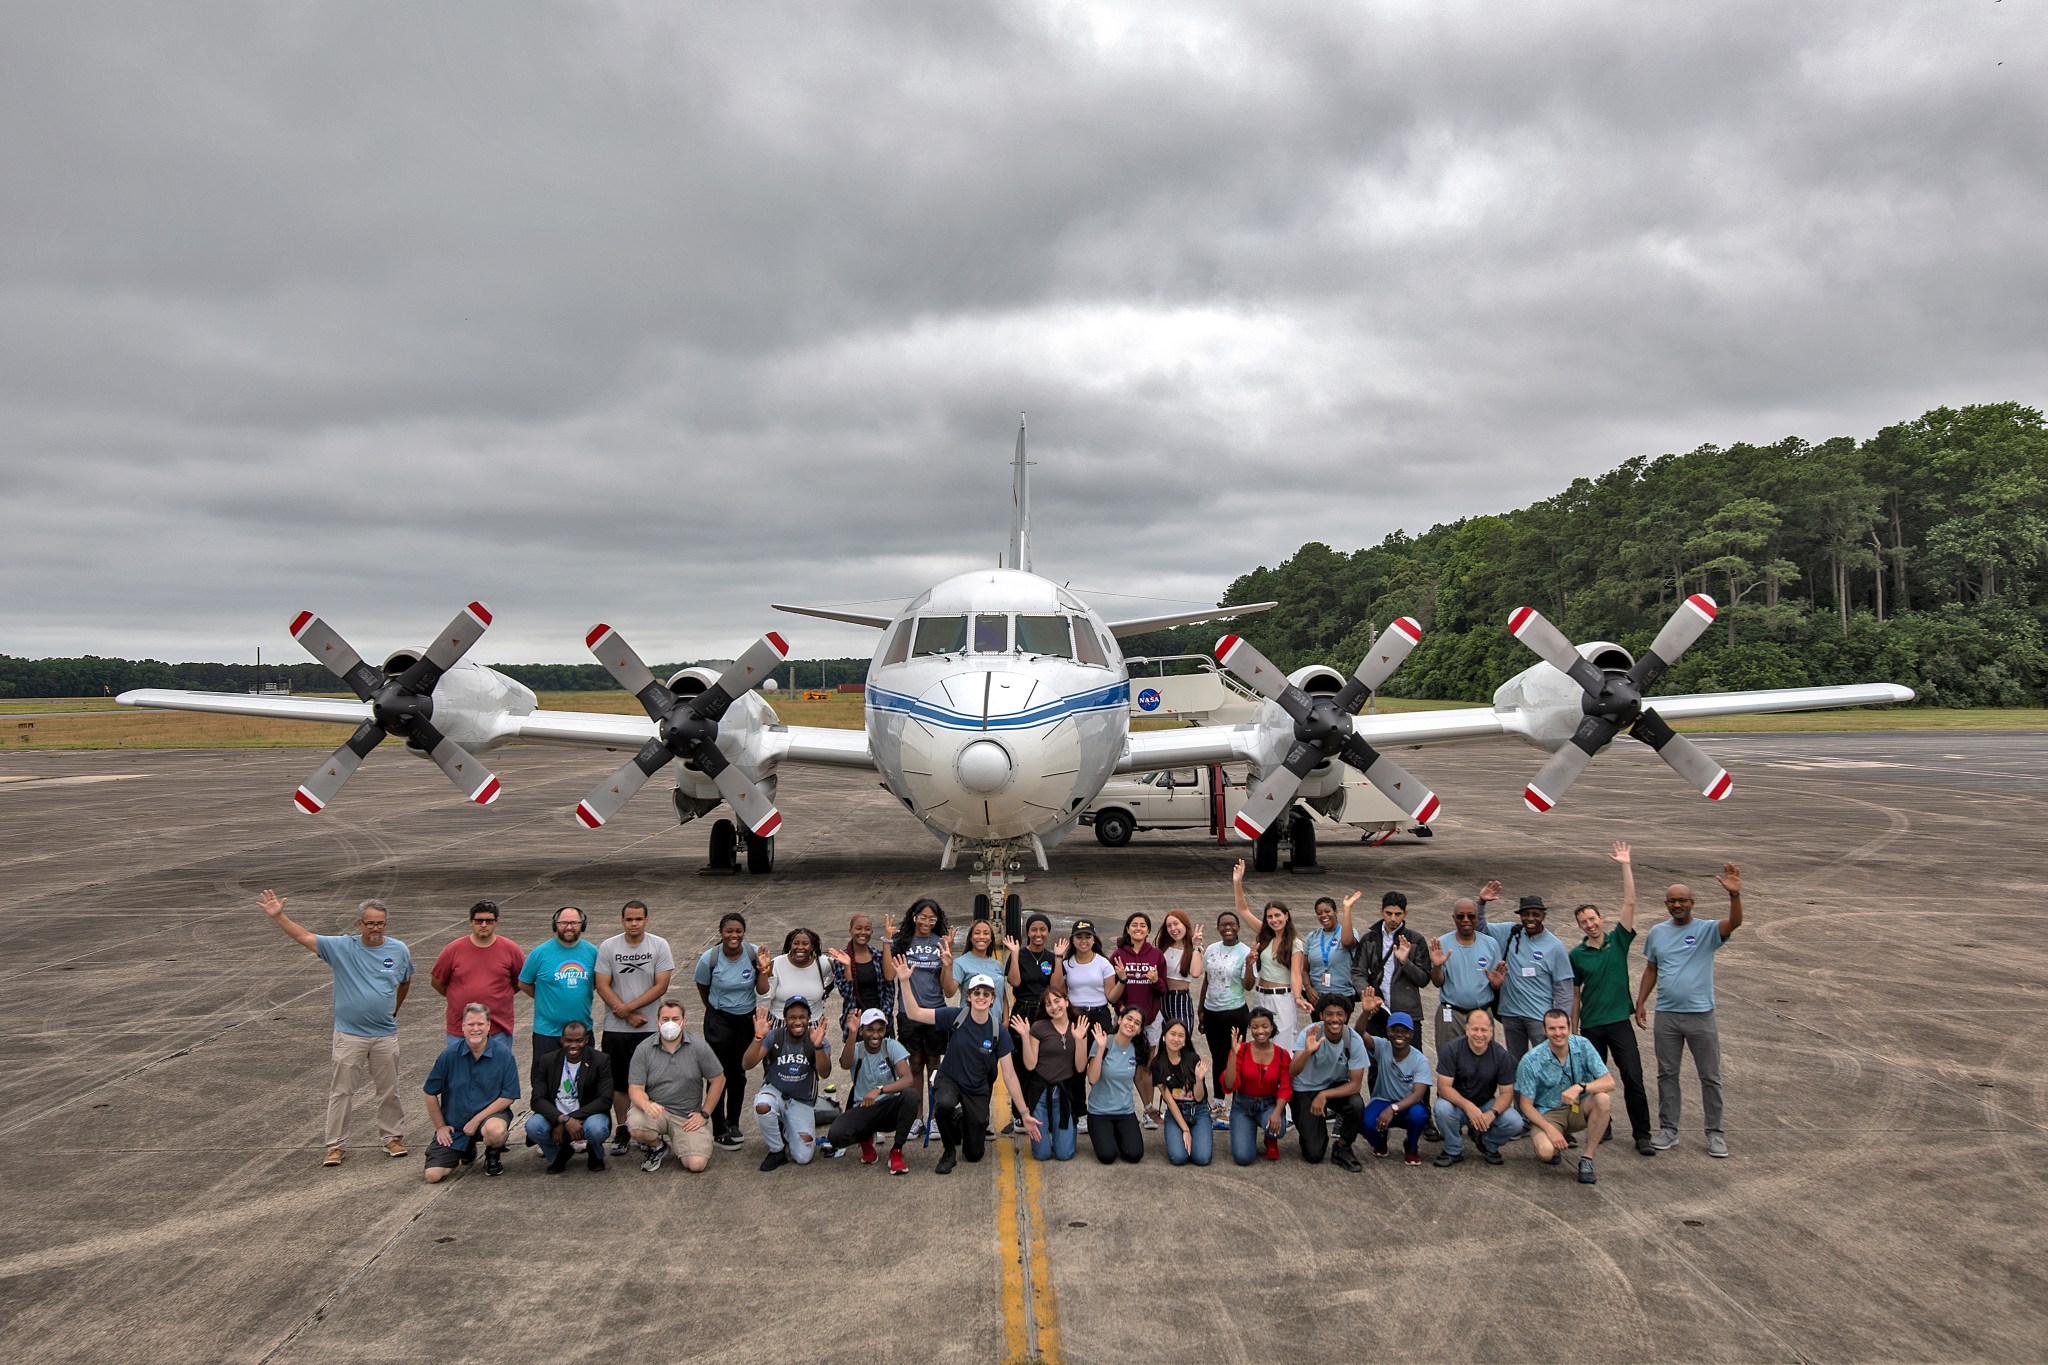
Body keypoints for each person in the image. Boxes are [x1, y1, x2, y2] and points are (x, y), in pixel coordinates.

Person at [258, 889, 413, 1166]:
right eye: (370, 923)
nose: (375, 928)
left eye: (380, 923)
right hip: (350, 1035)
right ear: (359, 924)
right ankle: (335, 1145)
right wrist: (279, 916)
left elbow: (405, 981)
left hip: (384, 1034)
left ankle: (392, 1138)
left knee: (389, 1089)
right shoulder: (342, 948)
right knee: (342, 1091)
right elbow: (303, 936)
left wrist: (392, 1011)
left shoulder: (398, 950)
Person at [1637, 863, 1744, 1158]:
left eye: (1682, 900)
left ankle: (1715, 1133)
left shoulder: (1707, 930)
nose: (1677, 904)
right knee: (1666, 1074)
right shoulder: (1657, 933)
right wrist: (1640, 1002)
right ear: (1666, 905)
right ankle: (1669, 1130)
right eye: (1672, 900)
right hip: (1667, 1016)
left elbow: (1733, 924)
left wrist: (1735, 896)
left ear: (1692, 903)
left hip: (1701, 1016)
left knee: (1710, 1076)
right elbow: (1650, 968)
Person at [892, 961, 1041, 1173]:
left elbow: (1009, 1075)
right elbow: (915, 1013)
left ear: (992, 1000)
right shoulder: (955, 1016)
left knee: (973, 1154)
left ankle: (962, 1118)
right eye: (976, 992)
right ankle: (948, 1151)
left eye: (986, 994)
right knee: (943, 1104)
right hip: (950, 1080)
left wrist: (1025, 1113)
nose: (981, 996)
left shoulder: (999, 1032)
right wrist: (905, 981)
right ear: (968, 996)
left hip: (977, 1088)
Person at [1570, 842, 1655, 1156]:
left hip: (1619, 1022)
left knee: (1633, 1077)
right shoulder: (1576, 955)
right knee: (1592, 1081)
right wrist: (1574, 1030)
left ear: (1601, 918)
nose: (1590, 924)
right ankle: (1601, 1125)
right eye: (1583, 922)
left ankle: (1642, 1134)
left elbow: (1630, 901)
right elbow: (1575, 995)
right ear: (1579, 926)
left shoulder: (1619, 940)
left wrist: (1625, 865)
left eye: (1593, 919)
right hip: (1591, 1026)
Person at [594, 899, 674, 1156]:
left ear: (646, 920)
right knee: (619, 1083)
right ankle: (622, 1129)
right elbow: (603, 984)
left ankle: (646, 1128)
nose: (634, 924)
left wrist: (629, 1009)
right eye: (629, 919)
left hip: (649, 1027)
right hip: (617, 1029)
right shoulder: (609, 946)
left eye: (638, 919)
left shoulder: (659, 945)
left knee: (649, 1082)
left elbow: (661, 986)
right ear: (622, 920)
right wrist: (625, 1014)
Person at [421, 1002, 520, 1181]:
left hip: (489, 1118)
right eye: (471, 1024)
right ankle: (466, 1148)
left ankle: (492, 1154)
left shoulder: (503, 1055)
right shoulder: (448, 1055)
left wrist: (475, 1121)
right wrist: (441, 1127)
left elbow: (508, 1096)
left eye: (480, 1024)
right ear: (463, 1027)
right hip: (456, 1123)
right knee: (433, 1176)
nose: (476, 1029)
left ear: (489, 1026)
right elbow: (429, 1092)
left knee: (495, 1131)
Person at [1515, 1009, 1616, 1185]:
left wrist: (1580, 1087)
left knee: (1603, 1099)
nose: (1558, 1033)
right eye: (1552, 1029)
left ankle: (1587, 1158)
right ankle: (1554, 1145)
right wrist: (1550, 1129)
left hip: (1578, 1106)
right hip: (1548, 1112)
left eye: (1562, 1027)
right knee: (1546, 1151)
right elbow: (1526, 1105)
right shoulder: (1531, 1060)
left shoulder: (1583, 1045)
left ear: (1569, 1028)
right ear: (1545, 1031)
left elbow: (1609, 1082)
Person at [627, 1000, 725, 1173]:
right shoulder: (644, 1049)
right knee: (636, 1126)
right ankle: (658, 1147)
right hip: (657, 1110)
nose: (670, 1023)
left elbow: (718, 1079)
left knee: (696, 1165)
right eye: (665, 1019)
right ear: (657, 1021)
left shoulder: (699, 1047)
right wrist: (646, 1105)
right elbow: (635, 1089)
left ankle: (684, 1142)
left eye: (675, 1018)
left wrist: (704, 1113)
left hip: (686, 1116)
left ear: (683, 1021)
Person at [1476, 889, 1576, 1057]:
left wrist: (1560, 1022)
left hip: (1540, 1017)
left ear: (1543, 916)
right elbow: (1480, 928)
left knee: (1546, 1061)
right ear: (1520, 915)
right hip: (1510, 1014)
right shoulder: (1510, 933)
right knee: (1516, 1063)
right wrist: (1481, 902)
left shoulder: (1555, 946)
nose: (1530, 918)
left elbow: (1564, 988)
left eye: (1535, 914)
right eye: (1526, 914)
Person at [693, 912, 761, 1151]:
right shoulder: (709, 959)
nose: (734, 935)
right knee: (717, 1073)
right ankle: (719, 1128)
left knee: (739, 1072)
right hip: (718, 1019)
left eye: (738, 931)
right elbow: (703, 987)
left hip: (746, 1019)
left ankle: (733, 1123)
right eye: (729, 931)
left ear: (743, 932)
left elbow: (761, 984)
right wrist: (715, 1011)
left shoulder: (753, 954)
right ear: (721, 933)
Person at [891, 898, 957, 1138]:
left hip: (934, 1011)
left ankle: (936, 1116)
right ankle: (917, 1117)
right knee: (915, 1065)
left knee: (934, 1065)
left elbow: (948, 990)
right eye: (923, 917)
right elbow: (890, 974)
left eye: (933, 918)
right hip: (908, 1012)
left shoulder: (940, 943)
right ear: (914, 917)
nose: (927, 922)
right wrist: (889, 942)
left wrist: (947, 963)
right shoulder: (901, 942)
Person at [743, 997, 832, 1170]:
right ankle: (776, 1150)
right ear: (785, 1019)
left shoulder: (817, 1038)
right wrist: (758, 1037)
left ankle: (786, 1128)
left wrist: (818, 1047)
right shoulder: (775, 1036)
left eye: (802, 1017)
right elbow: (747, 1064)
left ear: (809, 1019)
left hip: (801, 1101)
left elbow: (825, 1073)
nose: (797, 1022)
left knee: (803, 1157)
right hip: (775, 1092)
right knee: (762, 1106)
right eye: (792, 1017)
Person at [822, 1008, 916, 1171]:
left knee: (911, 1096)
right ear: (862, 1031)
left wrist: (880, 1089)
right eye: (870, 1030)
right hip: (864, 1107)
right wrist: (851, 1034)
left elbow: (908, 1079)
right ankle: (865, 1141)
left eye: (880, 1030)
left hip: (888, 1107)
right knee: (836, 1135)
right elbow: (844, 1064)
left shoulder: (891, 1046)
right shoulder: (857, 1049)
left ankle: (896, 1151)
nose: (875, 1035)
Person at [1431, 1008, 1526, 1167]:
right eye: (1475, 1029)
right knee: (1442, 1108)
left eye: (1484, 1030)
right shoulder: (1452, 1049)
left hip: (1485, 1103)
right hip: (1457, 1104)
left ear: (1491, 1031)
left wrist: (1492, 1113)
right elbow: (1443, 1087)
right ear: (1466, 1029)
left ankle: (1487, 1144)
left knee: (1515, 1121)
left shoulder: (1501, 1055)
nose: (1479, 1034)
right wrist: (1468, 1107)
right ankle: (1453, 1149)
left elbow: (1507, 1093)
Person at [1288, 996, 1369, 1171]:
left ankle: (1343, 1147)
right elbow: (1293, 1071)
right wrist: (1307, 1052)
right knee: (1314, 1154)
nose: (1334, 1019)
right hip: (1305, 1089)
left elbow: (1355, 1085)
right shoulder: (1311, 1032)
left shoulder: (1352, 1040)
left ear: (1346, 1017)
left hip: (1332, 1086)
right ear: (1321, 1016)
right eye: (1329, 1014)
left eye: (1339, 1014)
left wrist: (1324, 1095)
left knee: (1356, 1105)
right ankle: (1311, 1128)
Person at [524, 1020, 614, 1173]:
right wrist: (562, 1119)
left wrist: (571, 1118)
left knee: (597, 1129)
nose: (573, 1045)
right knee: (533, 1126)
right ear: (561, 1040)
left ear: (586, 1040)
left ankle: (595, 1153)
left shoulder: (600, 1060)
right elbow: (537, 1100)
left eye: (579, 1041)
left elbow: (605, 1099)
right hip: (556, 1116)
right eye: (569, 1041)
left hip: (588, 1117)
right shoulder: (547, 1061)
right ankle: (559, 1153)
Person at [429, 900, 524, 1041]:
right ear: (471, 922)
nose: (484, 925)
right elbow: (437, 982)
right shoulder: (452, 950)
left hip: (498, 1030)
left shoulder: (511, 949)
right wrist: (457, 996)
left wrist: (500, 995)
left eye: (489, 921)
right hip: (460, 1030)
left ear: (496, 922)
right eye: (479, 921)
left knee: (498, 1064)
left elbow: (520, 982)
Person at [1427, 898, 1508, 1057]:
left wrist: (1496, 984)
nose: (1466, 920)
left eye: (1471, 916)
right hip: (1451, 1014)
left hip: (1481, 1013)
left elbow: (1495, 982)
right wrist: (1437, 966)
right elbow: (1437, 982)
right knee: (1449, 1061)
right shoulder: (1442, 943)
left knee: (1484, 1063)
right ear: (1453, 918)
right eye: (1460, 916)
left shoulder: (1490, 944)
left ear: (1477, 917)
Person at [1015, 986, 1086, 1163]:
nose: (1054, 1007)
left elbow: (1080, 1067)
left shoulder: (1079, 1028)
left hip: (1063, 1094)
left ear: (1066, 1001)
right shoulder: (1039, 1027)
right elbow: (1030, 1065)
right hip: (1040, 1093)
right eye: (1048, 1004)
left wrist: (1079, 1040)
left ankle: (1069, 1127)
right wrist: (1025, 1036)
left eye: (1057, 1001)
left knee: (1064, 1155)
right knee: (1042, 1154)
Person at [519, 905, 597, 1064]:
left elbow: (596, 983)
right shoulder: (540, 953)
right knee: (545, 1084)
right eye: (564, 923)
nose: (569, 927)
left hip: (582, 1032)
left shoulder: (593, 952)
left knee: (585, 1083)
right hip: (547, 1033)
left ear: (583, 925)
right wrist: (543, 996)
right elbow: (524, 983)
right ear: (555, 925)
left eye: (574, 923)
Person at [1237, 861, 1306, 1040]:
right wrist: (1237, 882)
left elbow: (1296, 974)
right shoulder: (1265, 936)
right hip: (1261, 996)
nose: (1274, 920)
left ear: (1286, 916)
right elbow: (1243, 910)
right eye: (1269, 917)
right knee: (1261, 1044)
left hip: (1282, 998)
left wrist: (1298, 997)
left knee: (1283, 1045)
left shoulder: (1295, 943)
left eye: (1277, 915)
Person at [1199, 908, 1254, 1126]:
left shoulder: (1245, 951)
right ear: (1218, 928)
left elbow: (1248, 985)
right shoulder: (1212, 949)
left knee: (1235, 1057)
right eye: (1223, 924)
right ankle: (1219, 1103)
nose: (1227, 928)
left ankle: (1237, 1103)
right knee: (1218, 1057)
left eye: (1232, 924)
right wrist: (1201, 1007)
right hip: (1212, 1011)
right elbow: (1206, 979)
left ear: (1238, 927)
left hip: (1235, 1012)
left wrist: (1250, 966)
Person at [1356, 892, 1431, 1041]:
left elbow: (1423, 979)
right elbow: (1358, 972)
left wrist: (1405, 963)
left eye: (1398, 914)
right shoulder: (1369, 939)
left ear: (1405, 914)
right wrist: (1369, 995)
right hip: (1378, 1013)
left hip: (1408, 1015)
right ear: (1381, 911)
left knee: (1409, 1061)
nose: (1393, 919)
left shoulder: (1416, 940)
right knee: (1376, 1060)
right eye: (1388, 913)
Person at [1221, 1008, 1291, 1165]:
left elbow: (1286, 1087)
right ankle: (1248, 1129)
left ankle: (1270, 1139)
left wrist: (1277, 1113)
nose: (1260, 1031)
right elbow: (1229, 1085)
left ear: (1272, 1027)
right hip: (1243, 1106)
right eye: (1255, 1027)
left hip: (1269, 1104)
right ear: (1250, 1029)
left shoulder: (1282, 1054)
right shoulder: (1242, 1049)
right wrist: (1233, 1054)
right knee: (1243, 1158)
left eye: (1265, 1026)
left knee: (1277, 1129)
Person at [1363, 1013, 1433, 1165]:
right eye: (1395, 1030)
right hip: (1382, 1101)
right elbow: (1360, 1034)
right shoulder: (1382, 1046)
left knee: (1419, 1116)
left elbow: (1418, 1095)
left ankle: (1411, 1146)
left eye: (1405, 1031)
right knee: (1364, 1122)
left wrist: (1392, 1109)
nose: (1399, 1034)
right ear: (1388, 1031)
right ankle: (1380, 1141)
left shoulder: (1420, 1060)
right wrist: (1365, 1012)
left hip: (1407, 1105)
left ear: (1411, 1034)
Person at [1085, 1009, 1149, 1163]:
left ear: (1139, 1030)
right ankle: (1109, 1135)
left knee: (1134, 1155)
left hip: (1125, 1111)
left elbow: (1139, 1079)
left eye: (1137, 1023)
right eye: (1129, 1019)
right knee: (1107, 1156)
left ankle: (1117, 1134)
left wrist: (1149, 1106)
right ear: (1119, 1020)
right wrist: (1100, 1049)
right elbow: (1092, 1079)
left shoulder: (1136, 1049)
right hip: (1100, 1112)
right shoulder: (1104, 1042)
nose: (1131, 1024)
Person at [1151, 1018, 1213, 1166]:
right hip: (1175, 1112)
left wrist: (1198, 1079)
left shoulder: (1192, 1059)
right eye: (1172, 1034)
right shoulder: (1157, 1064)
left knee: (1202, 1158)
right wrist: (1185, 1130)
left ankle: (1198, 1136)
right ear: (1164, 1037)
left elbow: (1199, 1098)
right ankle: (1187, 1135)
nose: (1176, 1039)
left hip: (1198, 1110)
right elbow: (1170, 1102)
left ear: (1185, 1040)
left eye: (1181, 1035)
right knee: (1179, 1158)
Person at [827, 913, 897, 1036]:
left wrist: (883, 1016)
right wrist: (848, 967)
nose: (863, 932)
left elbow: (889, 989)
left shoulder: (878, 957)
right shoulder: (842, 958)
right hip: (856, 1024)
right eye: (858, 928)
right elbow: (846, 993)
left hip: (880, 1021)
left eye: (867, 929)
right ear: (850, 931)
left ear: (872, 932)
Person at [1301, 893, 1360, 1022]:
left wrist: (1347, 909)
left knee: (1337, 1034)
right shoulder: (1312, 937)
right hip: (1317, 998)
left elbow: (1347, 942)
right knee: (1319, 1035)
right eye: (1319, 913)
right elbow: (1305, 969)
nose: (1324, 915)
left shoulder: (1349, 932)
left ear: (1336, 912)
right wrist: (1308, 988)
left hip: (1342, 996)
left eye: (1327, 911)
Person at [757, 927, 833, 1022]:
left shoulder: (822, 963)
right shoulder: (776, 964)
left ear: (812, 947)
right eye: (796, 943)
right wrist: (763, 972)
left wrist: (826, 990)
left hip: (813, 1024)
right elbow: (764, 995)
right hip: (780, 1023)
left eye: (805, 944)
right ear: (790, 945)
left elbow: (838, 975)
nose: (800, 947)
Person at [1060, 919, 1121, 1034]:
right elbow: (1061, 993)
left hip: (1099, 1015)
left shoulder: (1104, 963)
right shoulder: (1066, 964)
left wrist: (1122, 981)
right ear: (1073, 940)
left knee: (1100, 1050)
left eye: (1088, 937)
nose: (1083, 941)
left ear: (1094, 939)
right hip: (1074, 1014)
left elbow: (1111, 997)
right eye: (1079, 937)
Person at [1005, 913, 1064, 1022]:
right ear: (1027, 932)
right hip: (1022, 1009)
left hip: (1045, 1009)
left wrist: (1059, 957)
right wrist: (1014, 954)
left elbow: (1056, 986)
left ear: (1048, 932)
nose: (1038, 934)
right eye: (1033, 930)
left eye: (1042, 930)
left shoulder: (1051, 957)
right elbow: (1014, 982)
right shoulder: (1018, 955)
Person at [1157, 910, 1202, 1042]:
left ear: (1185, 925)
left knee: (1181, 1040)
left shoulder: (1194, 949)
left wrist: (1196, 947)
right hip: (1161, 998)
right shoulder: (1163, 947)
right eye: (1169, 926)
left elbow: (1195, 973)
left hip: (1180, 999)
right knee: (1162, 1042)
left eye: (1176, 924)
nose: (1173, 929)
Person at [953, 918, 1009, 1020]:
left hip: (996, 1026)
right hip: (970, 1024)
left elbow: (1002, 995)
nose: (981, 937)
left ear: (991, 938)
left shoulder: (997, 964)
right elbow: (949, 992)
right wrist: (947, 965)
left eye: (986, 933)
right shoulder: (960, 963)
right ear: (970, 937)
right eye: (977, 933)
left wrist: (1005, 1021)